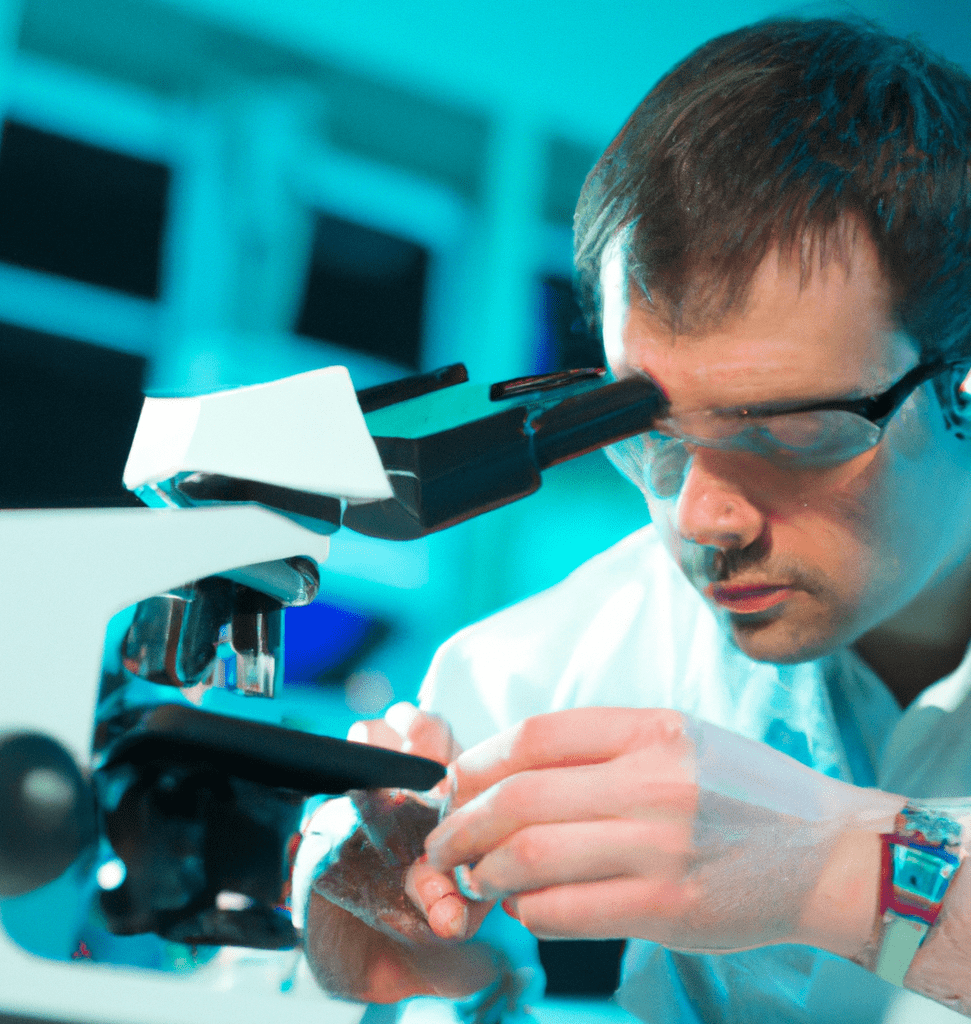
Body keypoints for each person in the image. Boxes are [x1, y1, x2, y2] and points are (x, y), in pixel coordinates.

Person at [292, 16, 971, 1022]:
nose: (701, 517)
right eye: (645, 429)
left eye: (787, 429)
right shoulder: (539, 674)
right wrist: (416, 960)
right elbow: (388, 923)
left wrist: (835, 868)